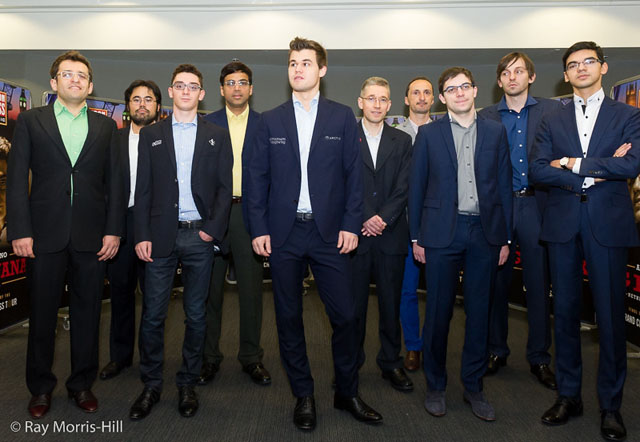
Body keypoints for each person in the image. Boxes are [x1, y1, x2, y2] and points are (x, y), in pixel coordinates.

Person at [247, 37, 382, 431]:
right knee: (288, 318)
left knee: (346, 315)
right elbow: (256, 179)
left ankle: (347, 391)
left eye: (306, 62)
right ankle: (303, 394)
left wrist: (350, 224)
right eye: (293, 63)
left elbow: (353, 177)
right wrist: (258, 228)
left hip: (329, 234)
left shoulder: (341, 118)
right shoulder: (268, 120)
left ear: (322, 70)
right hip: (284, 235)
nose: (298, 69)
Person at [529, 41, 640, 442]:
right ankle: (568, 396)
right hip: (562, 224)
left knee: (610, 320)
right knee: (568, 316)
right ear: (565, 74)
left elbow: (631, 164)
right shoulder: (550, 118)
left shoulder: (629, 114)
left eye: (588, 62)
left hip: (606, 224)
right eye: (573, 64)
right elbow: (539, 171)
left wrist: (574, 163)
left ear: (603, 67)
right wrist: (599, 169)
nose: (580, 69)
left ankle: (611, 406)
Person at [7, 50, 124, 418]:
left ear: (90, 85)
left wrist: (114, 231)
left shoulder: (106, 127)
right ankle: (40, 388)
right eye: (67, 74)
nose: (75, 79)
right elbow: (15, 180)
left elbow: (116, 185)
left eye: (82, 75)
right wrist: (20, 229)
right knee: (41, 315)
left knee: (88, 313)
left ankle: (81, 384)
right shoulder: (30, 121)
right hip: (43, 235)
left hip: (93, 237)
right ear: (55, 82)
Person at [129, 64, 232, 420]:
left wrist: (212, 229)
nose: (186, 91)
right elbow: (142, 190)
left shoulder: (217, 134)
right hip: (159, 237)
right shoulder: (151, 135)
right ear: (170, 92)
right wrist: (141, 234)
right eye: (179, 86)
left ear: (202, 94)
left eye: (193, 86)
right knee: (154, 315)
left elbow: (223, 188)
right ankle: (152, 384)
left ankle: (187, 381)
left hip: (199, 236)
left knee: (196, 315)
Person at [408, 67, 512, 422]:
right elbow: (417, 188)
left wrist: (504, 237)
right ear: (442, 97)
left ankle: (473, 385)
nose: (459, 93)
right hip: (440, 235)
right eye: (451, 89)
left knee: (479, 313)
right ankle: (435, 385)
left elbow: (503, 186)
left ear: (475, 90)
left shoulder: (496, 132)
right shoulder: (428, 134)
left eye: (464, 87)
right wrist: (416, 237)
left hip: (484, 233)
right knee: (438, 312)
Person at [478, 52, 562, 389]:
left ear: (531, 77)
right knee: (495, 284)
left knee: (539, 285)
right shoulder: (485, 117)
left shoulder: (554, 112)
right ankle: (497, 350)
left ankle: (540, 357)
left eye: (519, 71)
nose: (512, 77)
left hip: (537, 207)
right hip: (500, 208)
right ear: (499, 81)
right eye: (506, 73)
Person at [199, 61, 271, 386]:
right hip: (215, 215)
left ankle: (251, 357)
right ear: (221, 88)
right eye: (230, 82)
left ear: (251, 88)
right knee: (209, 291)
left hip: (250, 215)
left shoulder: (265, 124)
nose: (237, 88)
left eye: (243, 82)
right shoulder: (206, 124)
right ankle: (208, 357)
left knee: (251, 291)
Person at [352, 76, 413, 392]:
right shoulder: (346, 137)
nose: (376, 104)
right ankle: (351, 363)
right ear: (360, 102)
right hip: (356, 236)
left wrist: (383, 219)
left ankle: (391, 362)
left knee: (391, 304)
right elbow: (340, 183)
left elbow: (404, 187)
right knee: (354, 307)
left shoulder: (402, 141)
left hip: (391, 235)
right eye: (371, 98)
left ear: (390, 105)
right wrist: (366, 217)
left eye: (383, 99)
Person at [100, 79, 162, 381]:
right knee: (121, 294)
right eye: (136, 99)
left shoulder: (167, 141)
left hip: (154, 227)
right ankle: (120, 357)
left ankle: (152, 359)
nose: (142, 104)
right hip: (120, 226)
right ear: (127, 108)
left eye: (148, 99)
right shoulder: (113, 140)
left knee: (154, 300)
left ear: (158, 107)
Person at [396, 76, 434, 372]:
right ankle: (413, 346)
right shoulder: (395, 136)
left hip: (439, 228)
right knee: (407, 291)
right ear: (406, 100)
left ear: (434, 99)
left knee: (438, 292)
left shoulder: (445, 132)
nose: (421, 97)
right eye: (415, 93)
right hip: (404, 228)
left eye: (426, 92)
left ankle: (434, 344)